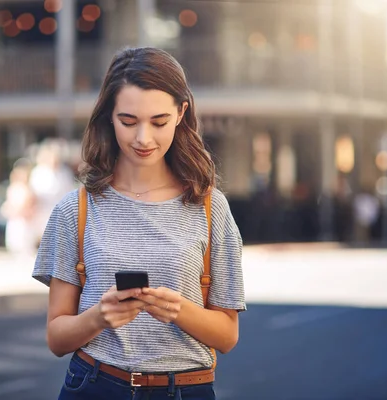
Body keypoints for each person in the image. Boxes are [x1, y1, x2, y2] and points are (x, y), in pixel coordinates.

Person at [32, 47, 245, 400]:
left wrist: (178, 310)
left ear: (181, 113)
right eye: (128, 121)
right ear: (109, 118)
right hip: (95, 385)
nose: (143, 138)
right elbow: (56, 338)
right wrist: (99, 316)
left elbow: (227, 336)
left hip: (185, 391)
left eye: (159, 122)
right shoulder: (75, 210)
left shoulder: (210, 207)